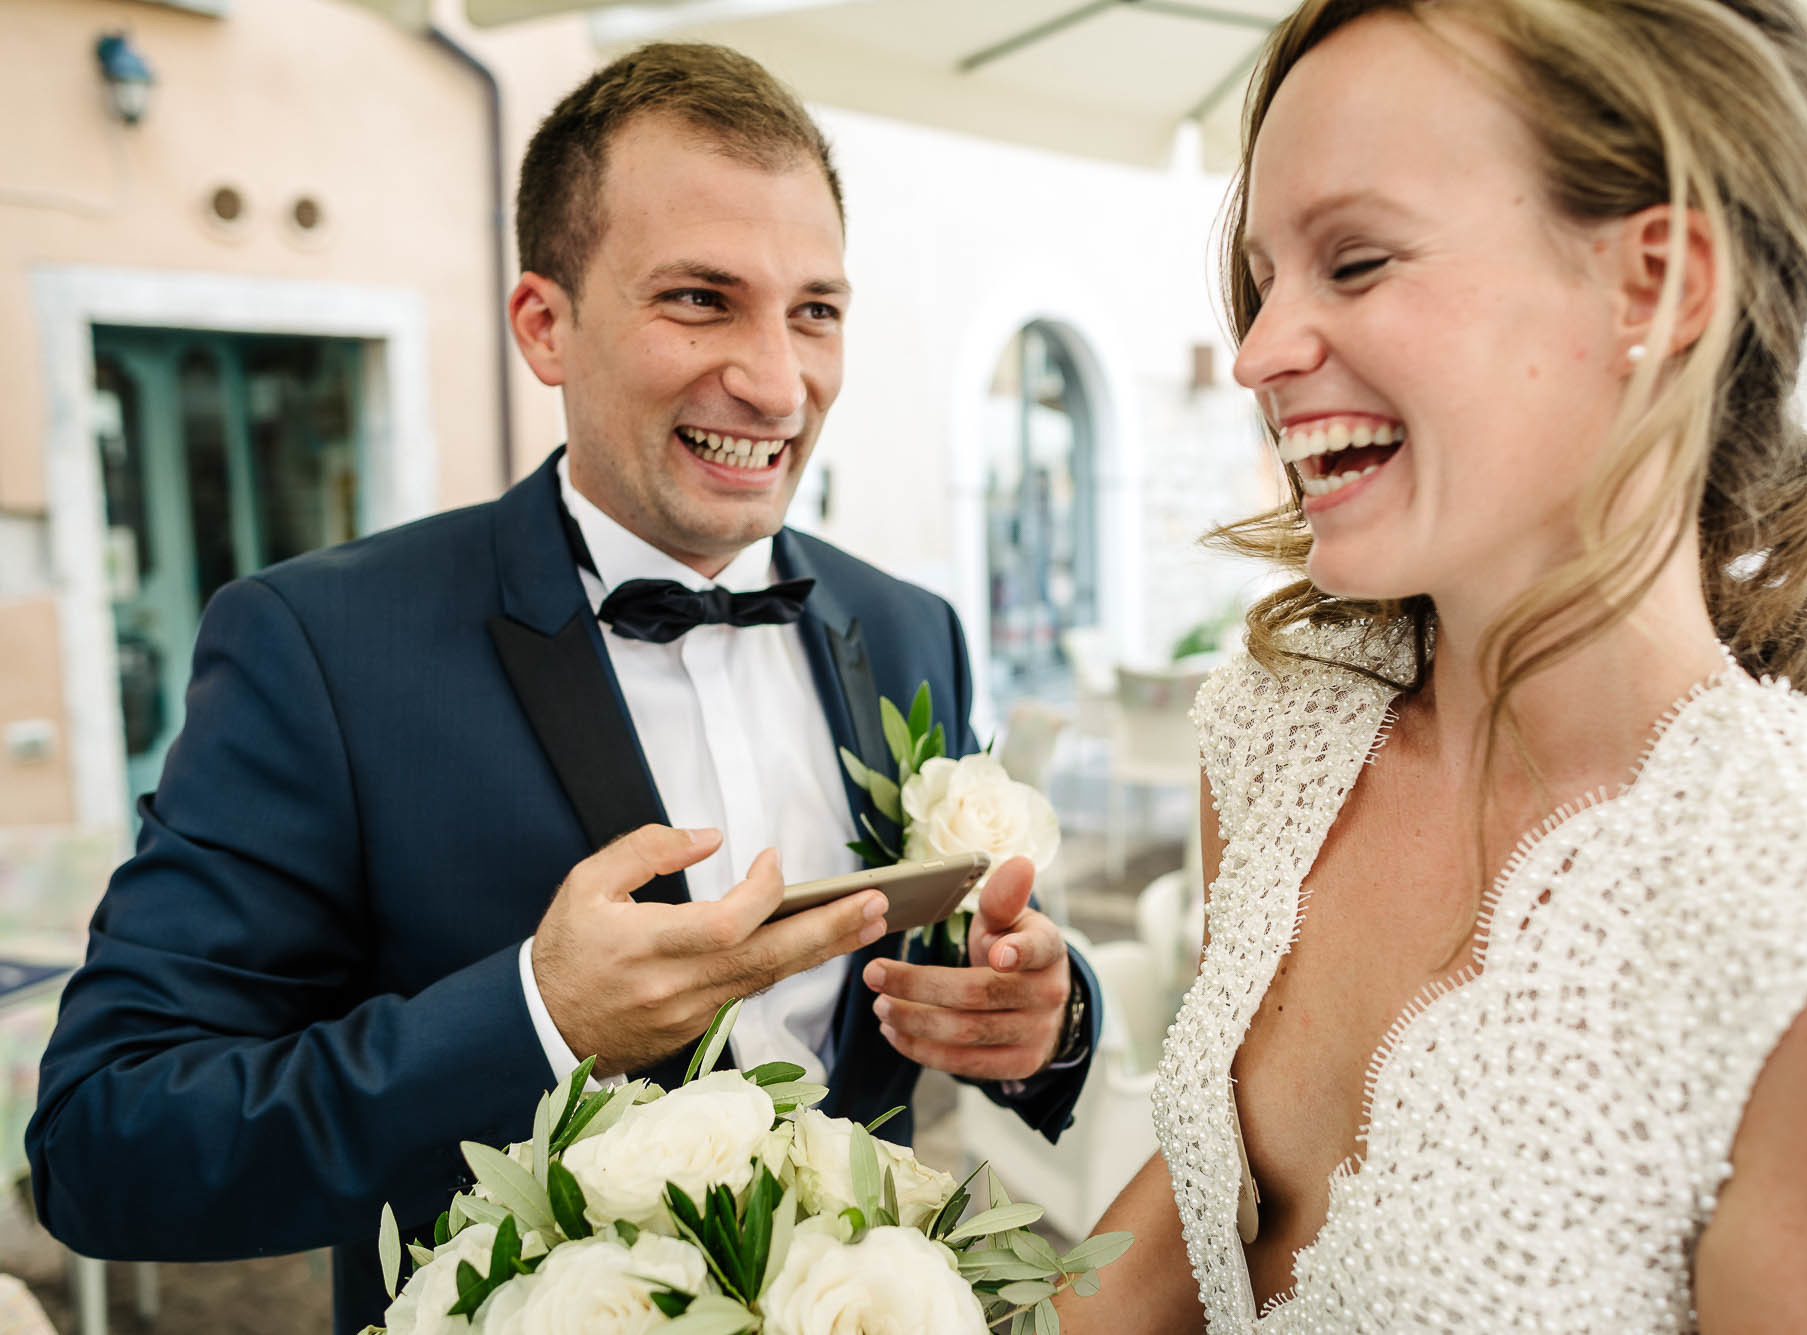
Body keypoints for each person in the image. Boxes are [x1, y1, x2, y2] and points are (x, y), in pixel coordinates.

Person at [27, 43, 1098, 1333]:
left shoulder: (908, 627)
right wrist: (537, 1017)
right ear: (546, 324)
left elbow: (945, 986)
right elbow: (108, 1139)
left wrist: (1046, 1016)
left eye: (814, 309)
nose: (777, 381)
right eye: (701, 299)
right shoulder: (317, 647)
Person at [1059, 2, 1807, 1331]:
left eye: (1359, 260)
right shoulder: (1281, 727)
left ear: (1657, 283)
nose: (1262, 349)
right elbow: (1211, 1190)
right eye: (1267, 275)